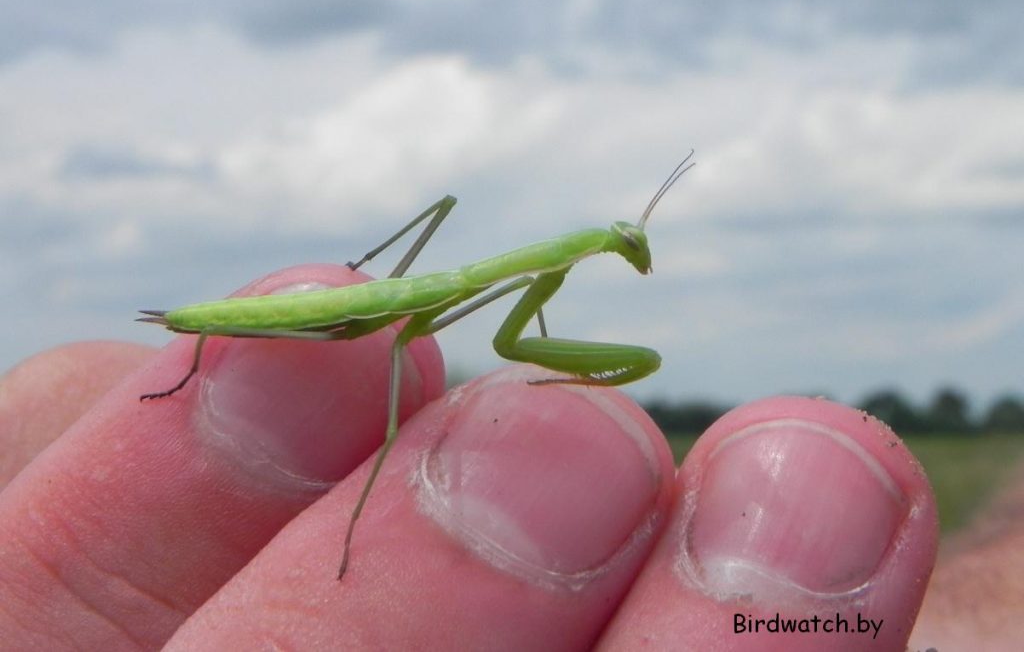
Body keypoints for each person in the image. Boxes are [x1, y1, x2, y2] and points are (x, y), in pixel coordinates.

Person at [0, 265, 1013, 649]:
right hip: (352, 315)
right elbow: (502, 338)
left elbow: (513, 337)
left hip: (372, 317)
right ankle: (359, 524)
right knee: (382, 380)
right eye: (625, 244)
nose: (635, 255)